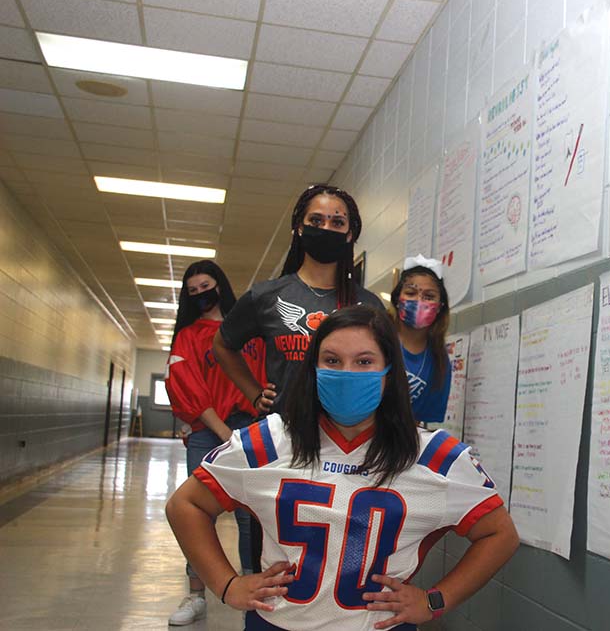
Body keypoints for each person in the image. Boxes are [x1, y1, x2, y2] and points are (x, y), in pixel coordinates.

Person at [166, 306, 519, 631]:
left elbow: (499, 535)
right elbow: (186, 505)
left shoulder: (435, 456)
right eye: (332, 361)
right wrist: (226, 585)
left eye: (364, 362)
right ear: (314, 369)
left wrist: (434, 600)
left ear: (388, 371)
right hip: (278, 624)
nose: (346, 373)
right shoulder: (268, 442)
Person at [213, 184, 384, 418]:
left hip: (347, 435)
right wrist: (254, 394)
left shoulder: (368, 305)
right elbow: (222, 344)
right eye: (316, 220)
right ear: (300, 228)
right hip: (284, 434)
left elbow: (384, 370)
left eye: (337, 223)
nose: (326, 228)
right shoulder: (267, 296)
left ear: (349, 234)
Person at [164, 260, 267, 626]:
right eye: (192, 291)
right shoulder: (188, 336)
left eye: (205, 286)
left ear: (220, 285)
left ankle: (255, 593)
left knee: (249, 515)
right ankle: (196, 594)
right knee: (199, 513)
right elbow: (186, 386)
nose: (200, 295)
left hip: (252, 427)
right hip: (210, 430)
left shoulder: (249, 333)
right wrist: (224, 433)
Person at [390, 255, 452, 423]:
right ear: (397, 299)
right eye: (410, 293)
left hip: (400, 444)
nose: (419, 301)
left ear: (440, 307)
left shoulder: (440, 361)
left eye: (429, 296)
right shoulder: (377, 339)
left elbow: (420, 423)